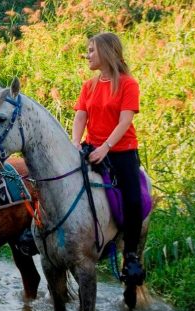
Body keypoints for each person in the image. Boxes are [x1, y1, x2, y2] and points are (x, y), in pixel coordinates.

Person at [71, 32, 145, 285]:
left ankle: (132, 255)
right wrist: (74, 143)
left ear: (106, 52)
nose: (88, 55)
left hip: (121, 151)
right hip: (92, 147)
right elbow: (81, 116)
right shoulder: (88, 86)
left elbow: (126, 120)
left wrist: (106, 147)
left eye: (91, 50)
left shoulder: (127, 84)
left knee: (133, 199)